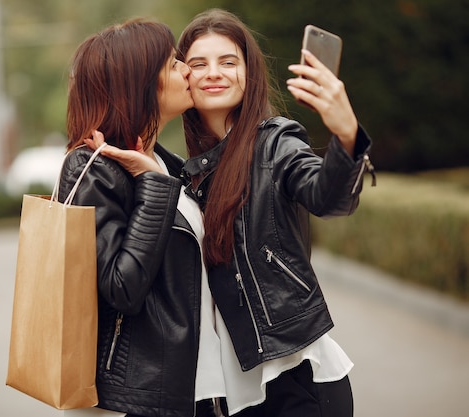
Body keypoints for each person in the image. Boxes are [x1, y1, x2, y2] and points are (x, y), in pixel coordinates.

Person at [176, 9, 375, 417]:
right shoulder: (191, 173)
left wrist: (346, 134)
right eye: (199, 64)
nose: (214, 73)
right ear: (183, 77)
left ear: (248, 74)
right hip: (237, 394)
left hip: (298, 378)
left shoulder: (276, 143)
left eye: (228, 62)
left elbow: (328, 198)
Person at [57, 18, 222, 417]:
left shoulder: (167, 166)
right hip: (138, 401)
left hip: (197, 390)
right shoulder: (93, 167)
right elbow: (121, 287)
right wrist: (153, 186)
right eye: (171, 65)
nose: (186, 70)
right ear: (140, 84)